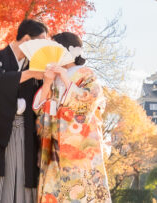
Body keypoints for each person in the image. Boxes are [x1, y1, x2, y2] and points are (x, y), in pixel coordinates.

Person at [0, 19, 49, 203]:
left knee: (23, 181)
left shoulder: (34, 66)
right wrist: (30, 74)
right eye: (41, 41)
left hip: (26, 134)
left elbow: (40, 103)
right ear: (25, 39)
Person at [33, 32, 111, 203]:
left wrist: (65, 79)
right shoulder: (53, 79)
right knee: (55, 192)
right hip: (55, 146)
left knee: (80, 192)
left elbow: (89, 100)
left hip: (80, 147)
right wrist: (47, 82)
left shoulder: (85, 74)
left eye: (56, 49)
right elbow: (40, 111)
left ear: (69, 51)